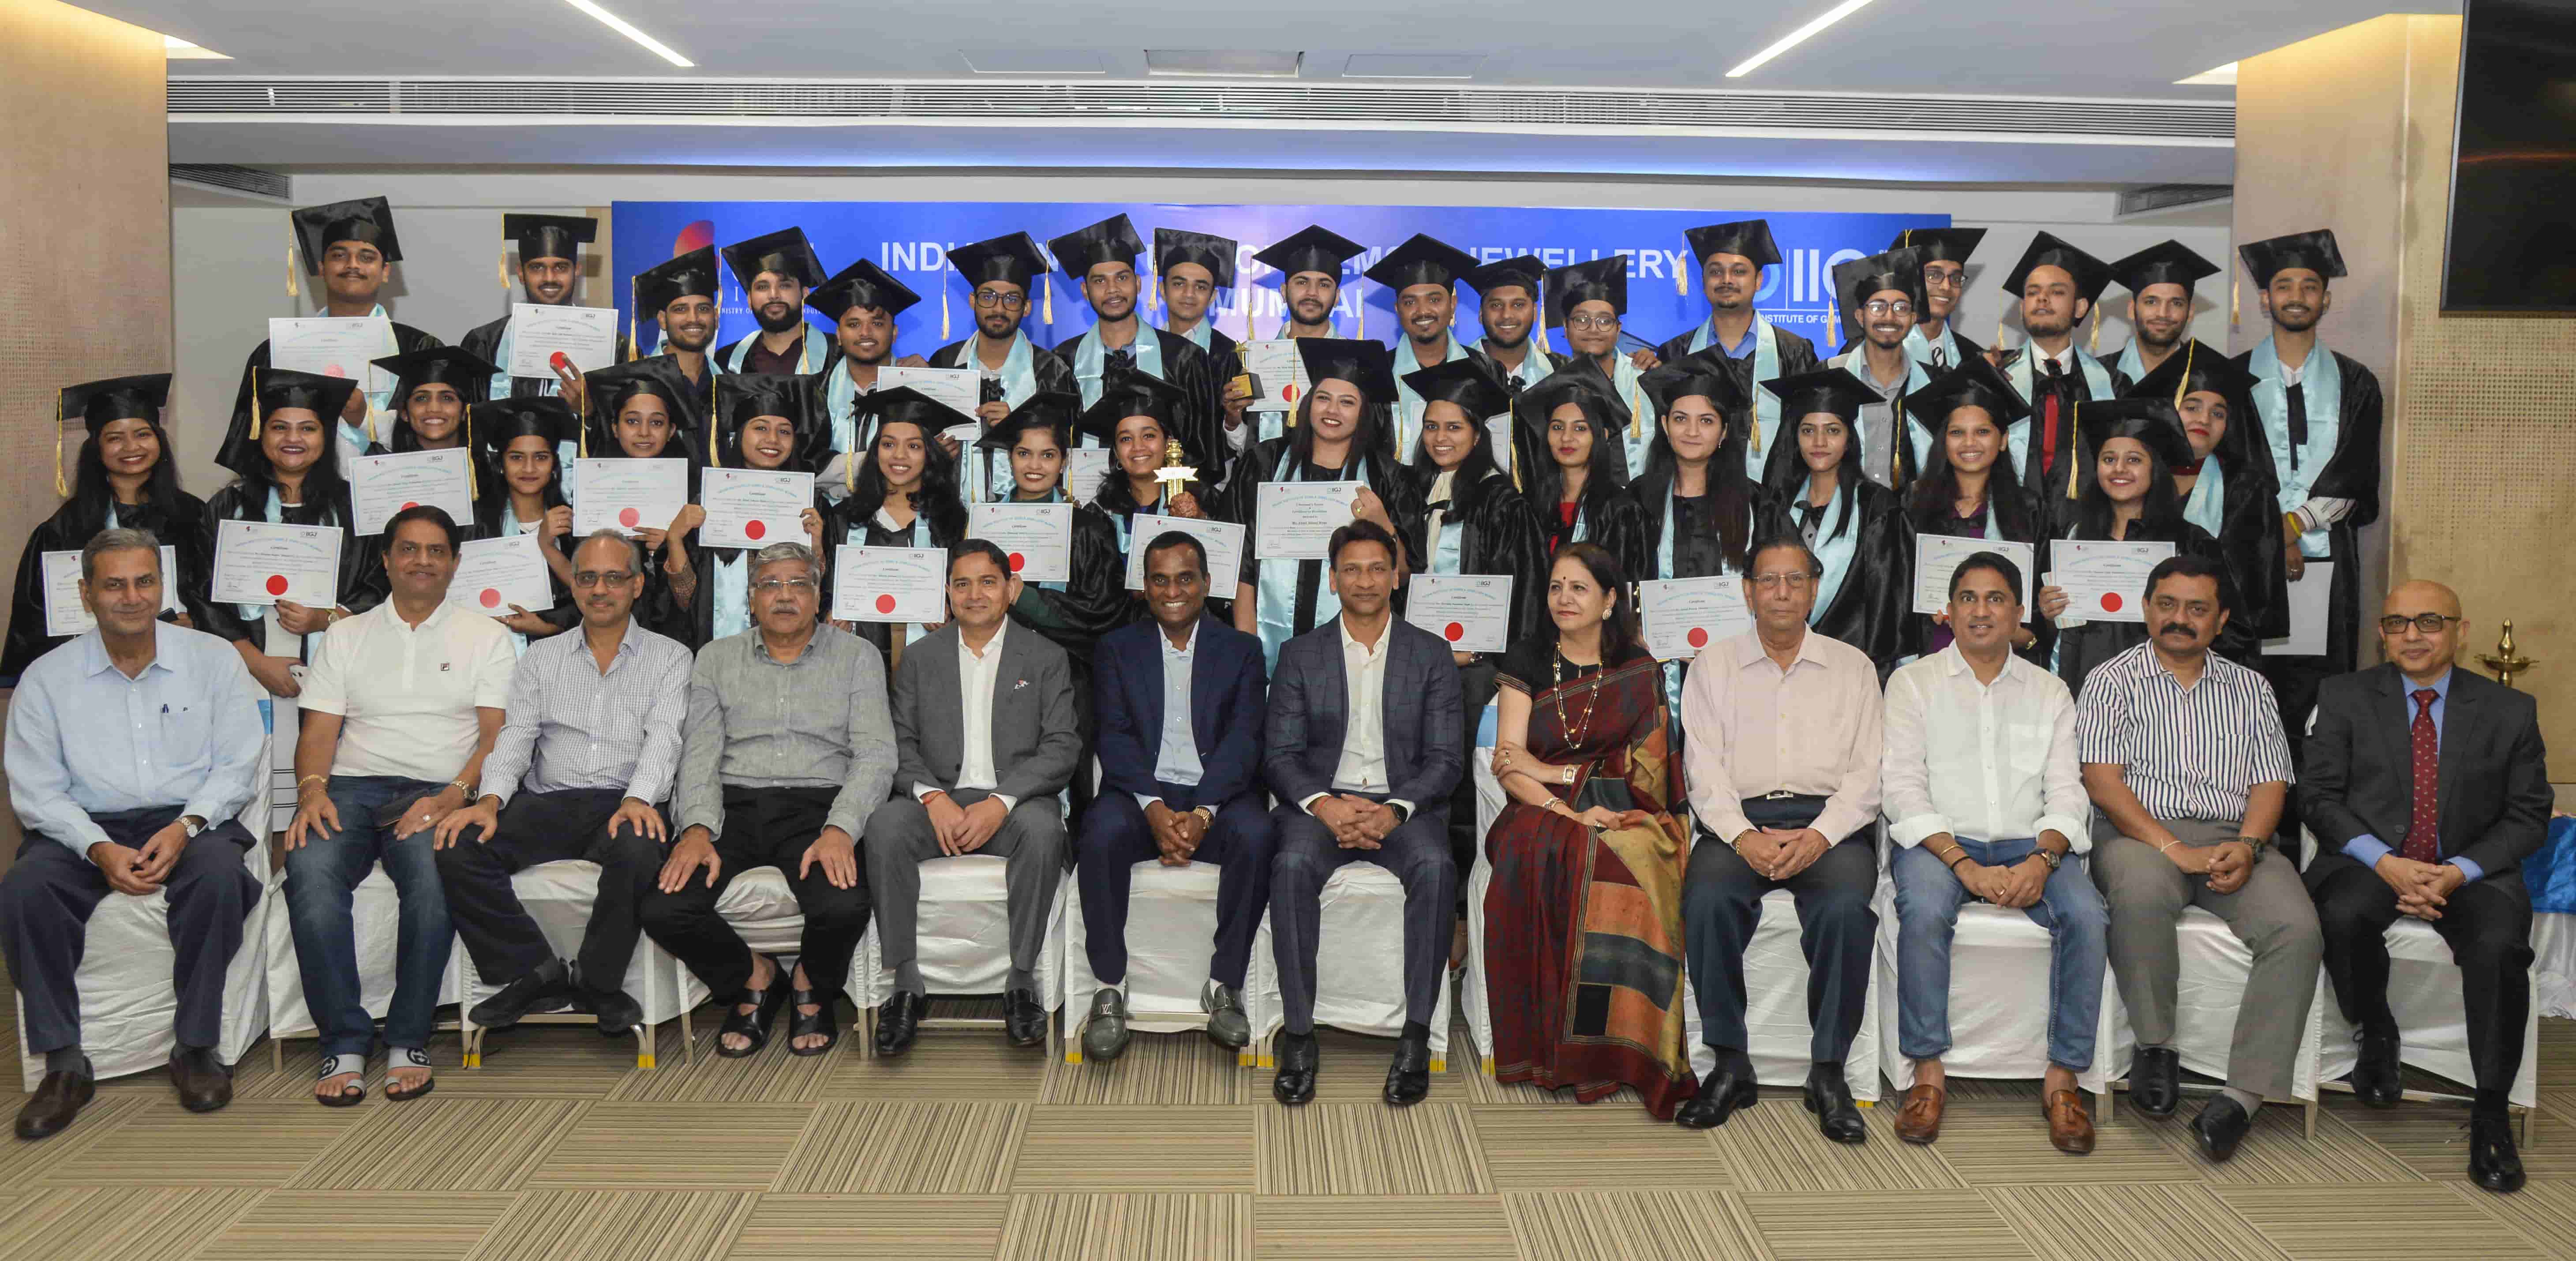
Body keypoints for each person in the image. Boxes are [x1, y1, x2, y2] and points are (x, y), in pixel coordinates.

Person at [2, 534, 264, 1139]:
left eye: (144, 581)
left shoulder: (212, 657)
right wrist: (97, 846)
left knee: (221, 876)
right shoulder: (47, 678)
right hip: (85, 826)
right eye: (114, 584)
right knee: (25, 888)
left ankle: (196, 1047)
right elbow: (37, 791)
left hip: (189, 816)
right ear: (86, 592)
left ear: (162, 585)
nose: (132, 596)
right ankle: (64, 1061)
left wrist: (186, 826)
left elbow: (237, 764)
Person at [2302, 580, 2550, 1193]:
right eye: (2397, 622)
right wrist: (2386, 862)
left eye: (2429, 621)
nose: (2412, 635)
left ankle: (2490, 1109)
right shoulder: (2344, 696)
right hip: (2370, 862)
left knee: (2498, 946)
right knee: (2340, 912)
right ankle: (2376, 1028)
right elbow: (2319, 798)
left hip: (2471, 868)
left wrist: (2456, 870)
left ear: (2460, 631)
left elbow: (2528, 813)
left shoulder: (2508, 710)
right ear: (2382, 633)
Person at [2079, 554, 2315, 1163]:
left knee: (2297, 926)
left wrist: (2250, 844)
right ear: (2146, 607)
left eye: (2196, 608)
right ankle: (2155, 1047)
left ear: (2221, 619)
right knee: (2140, 892)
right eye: (2167, 604)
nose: (2178, 619)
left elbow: (2271, 784)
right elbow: (2103, 782)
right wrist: (2172, 848)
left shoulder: (2251, 687)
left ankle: (2241, 1097)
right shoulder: (2110, 678)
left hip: (2233, 835)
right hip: (2137, 833)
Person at [285, 505, 516, 1106]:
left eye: (436, 550)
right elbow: (318, 730)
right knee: (308, 870)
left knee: (434, 875)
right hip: (352, 786)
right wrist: (311, 789)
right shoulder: (346, 633)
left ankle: (408, 1036)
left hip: (438, 788)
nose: (422, 561)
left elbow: (496, 736)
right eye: (408, 549)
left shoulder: (486, 634)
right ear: (386, 559)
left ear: (455, 563)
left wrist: (455, 795)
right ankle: (343, 1039)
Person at [1881, 552, 2105, 1153]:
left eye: (1997, 598)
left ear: (2019, 611)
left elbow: (2067, 789)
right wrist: (1963, 863)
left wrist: (2043, 859)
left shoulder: (2050, 688)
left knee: (2087, 915)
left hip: (2031, 840)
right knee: (1924, 911)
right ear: (1947, 610)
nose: (1982, 611)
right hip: (1940, 840)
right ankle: (1927, 1072)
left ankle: (2063, 1077)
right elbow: (1902, 788)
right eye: (1969, 598)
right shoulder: (1912, 682)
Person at [429, 530, 691, 1036]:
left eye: (614, 578)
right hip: (549, 802)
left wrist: (639, 799)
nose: (600, 589)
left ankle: (598, 981)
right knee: (459, 842)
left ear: (637, 585)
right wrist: (488, 801)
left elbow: (665, 740)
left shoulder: (671, 657)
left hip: (624, 801)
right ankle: (532, 972)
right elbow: (516, 738)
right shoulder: (540, 658)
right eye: (588, 577)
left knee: (640, 846)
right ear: (573, 585)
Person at [643, 542, 893, 1058]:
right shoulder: (716, 658)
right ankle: (753, 976)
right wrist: (694, 830)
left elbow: (875, 756)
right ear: (751, 598)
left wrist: (840, 829)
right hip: (730, 807)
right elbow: (700, 756)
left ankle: (809, 983)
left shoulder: (858, 657)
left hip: (819, 808)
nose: (784, 596)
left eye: (798, 584)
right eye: (770, 585)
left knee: (845, 905)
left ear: (818, 595)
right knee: (664, 907)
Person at [1674, 532, 1882, 1142]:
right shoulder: (1714, 665)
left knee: (1846, 907)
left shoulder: (1854, 667)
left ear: (1815, 589)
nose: (1783, 592)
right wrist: (1742, 837)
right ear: (1748, 591)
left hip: (1832, 824)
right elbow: (1702, 769)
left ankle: (1828, 1069)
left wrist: (1819, 836)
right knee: (1707, 900)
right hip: (1739, 819)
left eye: (1796, 580)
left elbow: (1869, 775)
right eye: (1769, 580)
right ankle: (1730, 1060)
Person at [1482, 544, 1695, 1117]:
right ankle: (1550, 1051)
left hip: (1630, 807)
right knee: (1551, 849)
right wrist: (1569, 805)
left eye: (1579, 587)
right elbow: (1508, 762)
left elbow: (1649, 771)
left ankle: (1614, 1053)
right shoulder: (1527, 656)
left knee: (1628, 856)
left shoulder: (1638, 668)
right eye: (1556, 586)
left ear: (1609, 601)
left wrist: (1561, 772)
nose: (1564, 598)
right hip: (1536, 811)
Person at [1264, 520, 1464, 1107]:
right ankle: (1299, 1034)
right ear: (1332, 579)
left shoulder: (1430, 653)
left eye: (1378, 567)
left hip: (1405, 804)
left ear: (1398, 576)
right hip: (1323, 801)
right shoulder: (1302, 654)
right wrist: (1325, 805)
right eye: (1351, 568)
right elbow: (1279, 755)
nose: (1366, 580)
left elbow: (1446, 758)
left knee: (1435, 868)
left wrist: (1396, 808)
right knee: (1291, 864)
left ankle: (1415, 1036)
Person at [863, 541, 1082, 1053]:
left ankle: (1022, 979)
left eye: (988, 582)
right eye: (962, 583)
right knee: (884, 827)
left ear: (1009, 589)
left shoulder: (1045, 656)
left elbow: (1061, 746)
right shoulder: (919, 658)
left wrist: (1000, 802)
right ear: (947, 592)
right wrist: (931, 799)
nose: (975, 594)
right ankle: (906, 982)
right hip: (937, 800)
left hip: (1016, 803)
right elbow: (899, 741)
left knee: (1045, 830)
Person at [1074, 532, 1273, 1060]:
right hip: (1142, 794)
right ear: (1144, 587)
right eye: (1159, 580)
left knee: (1257, 834)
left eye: (1185, 578)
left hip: (1219, 797)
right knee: (1098, 834)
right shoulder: (1117, 648)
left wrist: (1203, 812)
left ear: (1207, 584)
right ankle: (1109, 987)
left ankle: (1223, 984)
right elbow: (1112, 735)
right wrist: (1155, 808)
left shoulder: (1242, 650)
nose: (1173, 591)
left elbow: (1244, 739)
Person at [1390, 358, 1546, 878]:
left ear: (1478, 434)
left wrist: (1502, 672)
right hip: (1414, 668)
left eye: (1454, 427)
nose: (1440, 437)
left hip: (1476, 674)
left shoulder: (1503, 503)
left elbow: (1525, 599)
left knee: (1458, 792)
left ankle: (1460, 913)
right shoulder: (1409, 496)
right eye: (1431, 426)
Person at [2233, 229, 2383, 765]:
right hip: (2247, 564)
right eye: (2282, 285)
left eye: (2308, 285)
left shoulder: (2356, 381)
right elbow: (2229, 474)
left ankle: (2313, 836)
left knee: (2321, 700)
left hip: (2328, 564)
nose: (2295, 295)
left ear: (2325, 298)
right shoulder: (2229, 380)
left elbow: (2355, 473)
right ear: (2263, 298)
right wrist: (2273, 535)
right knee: (2245, 694)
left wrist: (2291, 529)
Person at [4, 374, 214, 684]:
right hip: (91, 679)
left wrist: (197, 624)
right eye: (115, 437)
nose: (131, 447)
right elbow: (35, 626)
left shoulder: (193, 516)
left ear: (159, 441)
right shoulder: (63, 529)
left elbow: (218, 603)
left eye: (143, 434)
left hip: (180, 672)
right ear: (96, 449)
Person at [1222, 338, 1409, 669]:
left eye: (1347, 402)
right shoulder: (1265, 462)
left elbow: (1404, 575)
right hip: (1265, 646)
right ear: (1308, 403)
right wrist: (1246, 647)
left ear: (1364, 413)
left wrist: (1384, 524)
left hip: (1358, 658)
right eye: (1323, 398)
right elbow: (1242, 563)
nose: (1332, 411)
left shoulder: (1386, 476)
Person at [201, 370, 388, 701]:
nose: (293, 439)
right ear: (261, 434)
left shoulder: (354, 506)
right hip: (243, 670)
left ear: (325, 436)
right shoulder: (228, 506)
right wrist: (256, 662)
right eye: (279, 427)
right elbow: (202, 593)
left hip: (339, 669)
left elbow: (378, 583)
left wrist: (325, 617)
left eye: (308, 429)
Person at [2035, 398, 2240, 692]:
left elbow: (2229, 629)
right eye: (2108, 459)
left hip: (2166, 692)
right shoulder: (2073, 538)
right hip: (2081, 686)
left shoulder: (2191, 543)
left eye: (2134, 459)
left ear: (2154, 469)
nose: (2119, 469)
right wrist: (2050, 613)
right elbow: (2052, 633)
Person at [226, 197, 442, 469]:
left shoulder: (420, 348)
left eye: (367, 257)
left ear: (385, 271)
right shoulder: (277, 350)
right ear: (321, 268)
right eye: (339, 256)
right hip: (306, 496)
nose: (353, 265)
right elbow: (251, 441)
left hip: (395, 492)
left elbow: (441, 438)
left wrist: (364, 417)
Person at [2129, 342, 2288, 649]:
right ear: (2168, 410)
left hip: (2219, 651)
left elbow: (2254, 594)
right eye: (2192, 407)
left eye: (2218, 412)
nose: (2204, 419)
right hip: (2132, 646)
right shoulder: (2135, 476)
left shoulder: (2247, 489)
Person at [1758, 368, 1911, 673]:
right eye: (1807, 430)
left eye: (1832, 430)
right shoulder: (1779, 506)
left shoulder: (1876, 507)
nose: (1819, 442)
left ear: (1849, 438)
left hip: (1852, 667)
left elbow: (1886, 602)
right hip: (1780, 664)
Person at [662, 374, 829, 648]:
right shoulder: (707, 500)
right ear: (739, 434)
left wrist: (817, 545)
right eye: (760, 428)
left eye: (785, 431)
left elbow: (818, 597)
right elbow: (686, 599)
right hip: (721, 649)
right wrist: (675, 539)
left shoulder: (812, 505)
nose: (773, 440)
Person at [1650, 220, 1820, 483]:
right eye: (1715, 272)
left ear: (1759, 280)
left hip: (1773, 502)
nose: (1726, 280)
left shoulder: (1795, 352)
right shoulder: (1675, 353)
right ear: (1703, 279)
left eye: (1739, 271)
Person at [1050, 214, 1221, 475]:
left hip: (1162, 504)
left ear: (1138, 284)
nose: (1112, 290)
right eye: (1099, 281)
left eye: (1122, 278)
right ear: (1085, 291)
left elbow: (1201, 448)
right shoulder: (1063, 361)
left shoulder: (1184, 358)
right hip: (1083, 503)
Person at [1900, 359, 2043, 658]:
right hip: (1932, 658)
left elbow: (2037, 624)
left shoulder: (2030, 511)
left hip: (2004, 665)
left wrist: (2022, 636)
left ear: (2003, 440)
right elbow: (1897, 594)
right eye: (1957, 433)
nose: (1969, 443)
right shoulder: (1914, 506)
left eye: (1983, 432)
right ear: (1943, 441)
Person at [820, 387, 972, 667]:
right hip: (854, 666)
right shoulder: (844, 518)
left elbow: (966, 591)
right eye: (888, 444)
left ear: (930, 453)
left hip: (931, 668)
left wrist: (951, 612)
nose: (899, 456)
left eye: (914, 446)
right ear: (876, 451)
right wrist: (830, 614)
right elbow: (826, 589)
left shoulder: (952, 520)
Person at [926, 232, 1078, 487]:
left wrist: (1018, 427)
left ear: (1027, 307)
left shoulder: (1052, 371)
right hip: (951, 512)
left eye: (1011, 299)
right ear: (973, 301)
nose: (998, 309)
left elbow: (1068, 453)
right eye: (988, 297)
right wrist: (933, 452)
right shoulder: (944, 362)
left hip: (1026, 514)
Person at [1993, 233, 2130, 502]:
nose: (2042, 299)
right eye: (2033, 292)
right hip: (2010, 519)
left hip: (2085, 525)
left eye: (2056, 292)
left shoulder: (2112, 384)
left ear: (2080, 308)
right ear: (2023, 307)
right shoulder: (1996, 376)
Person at [579, 357, 704, 643]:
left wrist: (672, 546)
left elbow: (695, 599)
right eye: (632, 421)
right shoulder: (592, 490)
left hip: (676, 638)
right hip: (604, 635)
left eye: (657, 422)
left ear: (672, 430)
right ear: (614, 428)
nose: (644, 433)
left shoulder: (693, 496)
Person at [1235, 225, 1369, 455]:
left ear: (1337, 297)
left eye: (1324, 285)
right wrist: (1232, 420)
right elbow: (1244, 447)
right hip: (1266, 479)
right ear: (1284, 291)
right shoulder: (1252, 362)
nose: (1312, 293)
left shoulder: (1361, 362)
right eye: (1302, 282)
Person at [460, 214, 619, 405]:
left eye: (561, 267)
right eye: (537, 268)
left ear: (577, 270)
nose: (549, 278)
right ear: (520, 273)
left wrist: (591, 413)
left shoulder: (612, 345)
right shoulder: (485, 343)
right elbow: (469, 421)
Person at [465, 397, 582, 652]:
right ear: (500, 464)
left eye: (540, 457)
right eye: (517, 457)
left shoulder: (574, 527)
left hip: (563, 657)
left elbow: (593, 599)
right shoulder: (476, 528)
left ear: (554, 465)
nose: (529, 468)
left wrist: (549, 627)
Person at [805, 257, 924, 498]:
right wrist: (878, 463)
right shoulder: (813, 392)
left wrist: (836, 470)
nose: (866, 333)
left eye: (877, 323)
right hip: (827, 523)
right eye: (854, 324)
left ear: (895, 333)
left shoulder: (920, 390)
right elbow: (805, 465)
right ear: (838, 334)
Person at [1082, 363, 1213, 573]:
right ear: (1115, 451)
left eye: (1149, 436)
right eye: (1126, 439)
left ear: (1169, 442)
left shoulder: (1202, 499)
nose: (1138, 447)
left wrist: (1201, 522)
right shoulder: (1099, 515)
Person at [1822, 249, 1934, 488]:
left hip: (1910, 516)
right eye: (1877, 307)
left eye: (1901, 308)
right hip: (1845, 514)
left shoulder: (1933, 384)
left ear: (1914, 318)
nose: (1889, 317)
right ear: (1860, 317)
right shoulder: (1829, 378)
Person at [1368, 233, 1483, 463]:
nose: (1422, 311)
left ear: (1452, 305)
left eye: (1434, 300)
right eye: (1410, 302)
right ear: (1397, 309)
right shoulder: (1376, 374)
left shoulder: (1484, 369)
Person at [1514, 373, 1644, 571]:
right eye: (1557, 427)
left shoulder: (1620, 509)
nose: (1566, 438)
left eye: (1580, 429)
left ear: (1603, 435)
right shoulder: (1529, 506)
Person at [1540, 256, 1655, 479]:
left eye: (1604, 321)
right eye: (1581, 320)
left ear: (1618, 329)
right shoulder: (1549, 385)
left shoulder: (1646, 380)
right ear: (1565, 326)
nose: (1593, 329)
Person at [1152, 227, 1251, 456]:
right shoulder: (1144, 349)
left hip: (1214, 483)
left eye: (1200, 287)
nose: (1189, 294)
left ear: (1213, 297)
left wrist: (1232, 419)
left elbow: (1245, 443)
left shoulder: (1231, 356)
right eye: (1179, 284)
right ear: (1162, 290)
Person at [714, 227, 835, 376]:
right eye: (763, 287)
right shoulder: (726, 362)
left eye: (784, 285)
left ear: (804, 294)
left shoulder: (836, 356)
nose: (774, 295)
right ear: (750, 299)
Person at [631, 246, 724, 439]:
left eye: (704, 309)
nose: (694, 318)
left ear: (716, 317)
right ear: (662, 320)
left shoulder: (725, 384)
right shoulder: (636, 381)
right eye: (681, 309)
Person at [2106, 240, 2221, 385]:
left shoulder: (2212, 379)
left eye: (2176, 303)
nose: (2163, 313)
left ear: (2190, 312)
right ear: (2131, 310)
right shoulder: (2095, 377)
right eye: (2151, 302)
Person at [1463, 254, 1563, 404]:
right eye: (1496, 305)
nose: (1507, 315)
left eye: (1518, 305)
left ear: (1535, 312)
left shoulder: (1560, 373)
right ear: (1481, 314)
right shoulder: (1457, 369)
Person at [371, 346, 500, 456]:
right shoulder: (386, 475)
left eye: (447, 398)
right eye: (421, 398)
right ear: (405, 413)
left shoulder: (491, 476)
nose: (434, 408)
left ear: (464, 412)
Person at [1891, 227, 1988, 371]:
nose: (1946, 287)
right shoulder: (1872, 352)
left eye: (1955, 278)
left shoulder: (1972, 358)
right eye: (1934, 275)